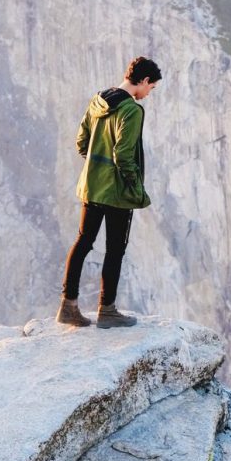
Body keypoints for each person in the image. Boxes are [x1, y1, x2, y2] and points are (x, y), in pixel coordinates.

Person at [56, 56, 162, 328]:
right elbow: (124, 155)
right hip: (117, 193)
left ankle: (68, 306)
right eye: (151, 88)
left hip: (91, 187)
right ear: (145, 80)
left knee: (83, 242)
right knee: (115, 249)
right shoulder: (132, 111)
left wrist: (95, 166)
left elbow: (82, 142)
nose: (149, 94)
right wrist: (136, 189)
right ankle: (107, 310)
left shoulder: (98, 100)